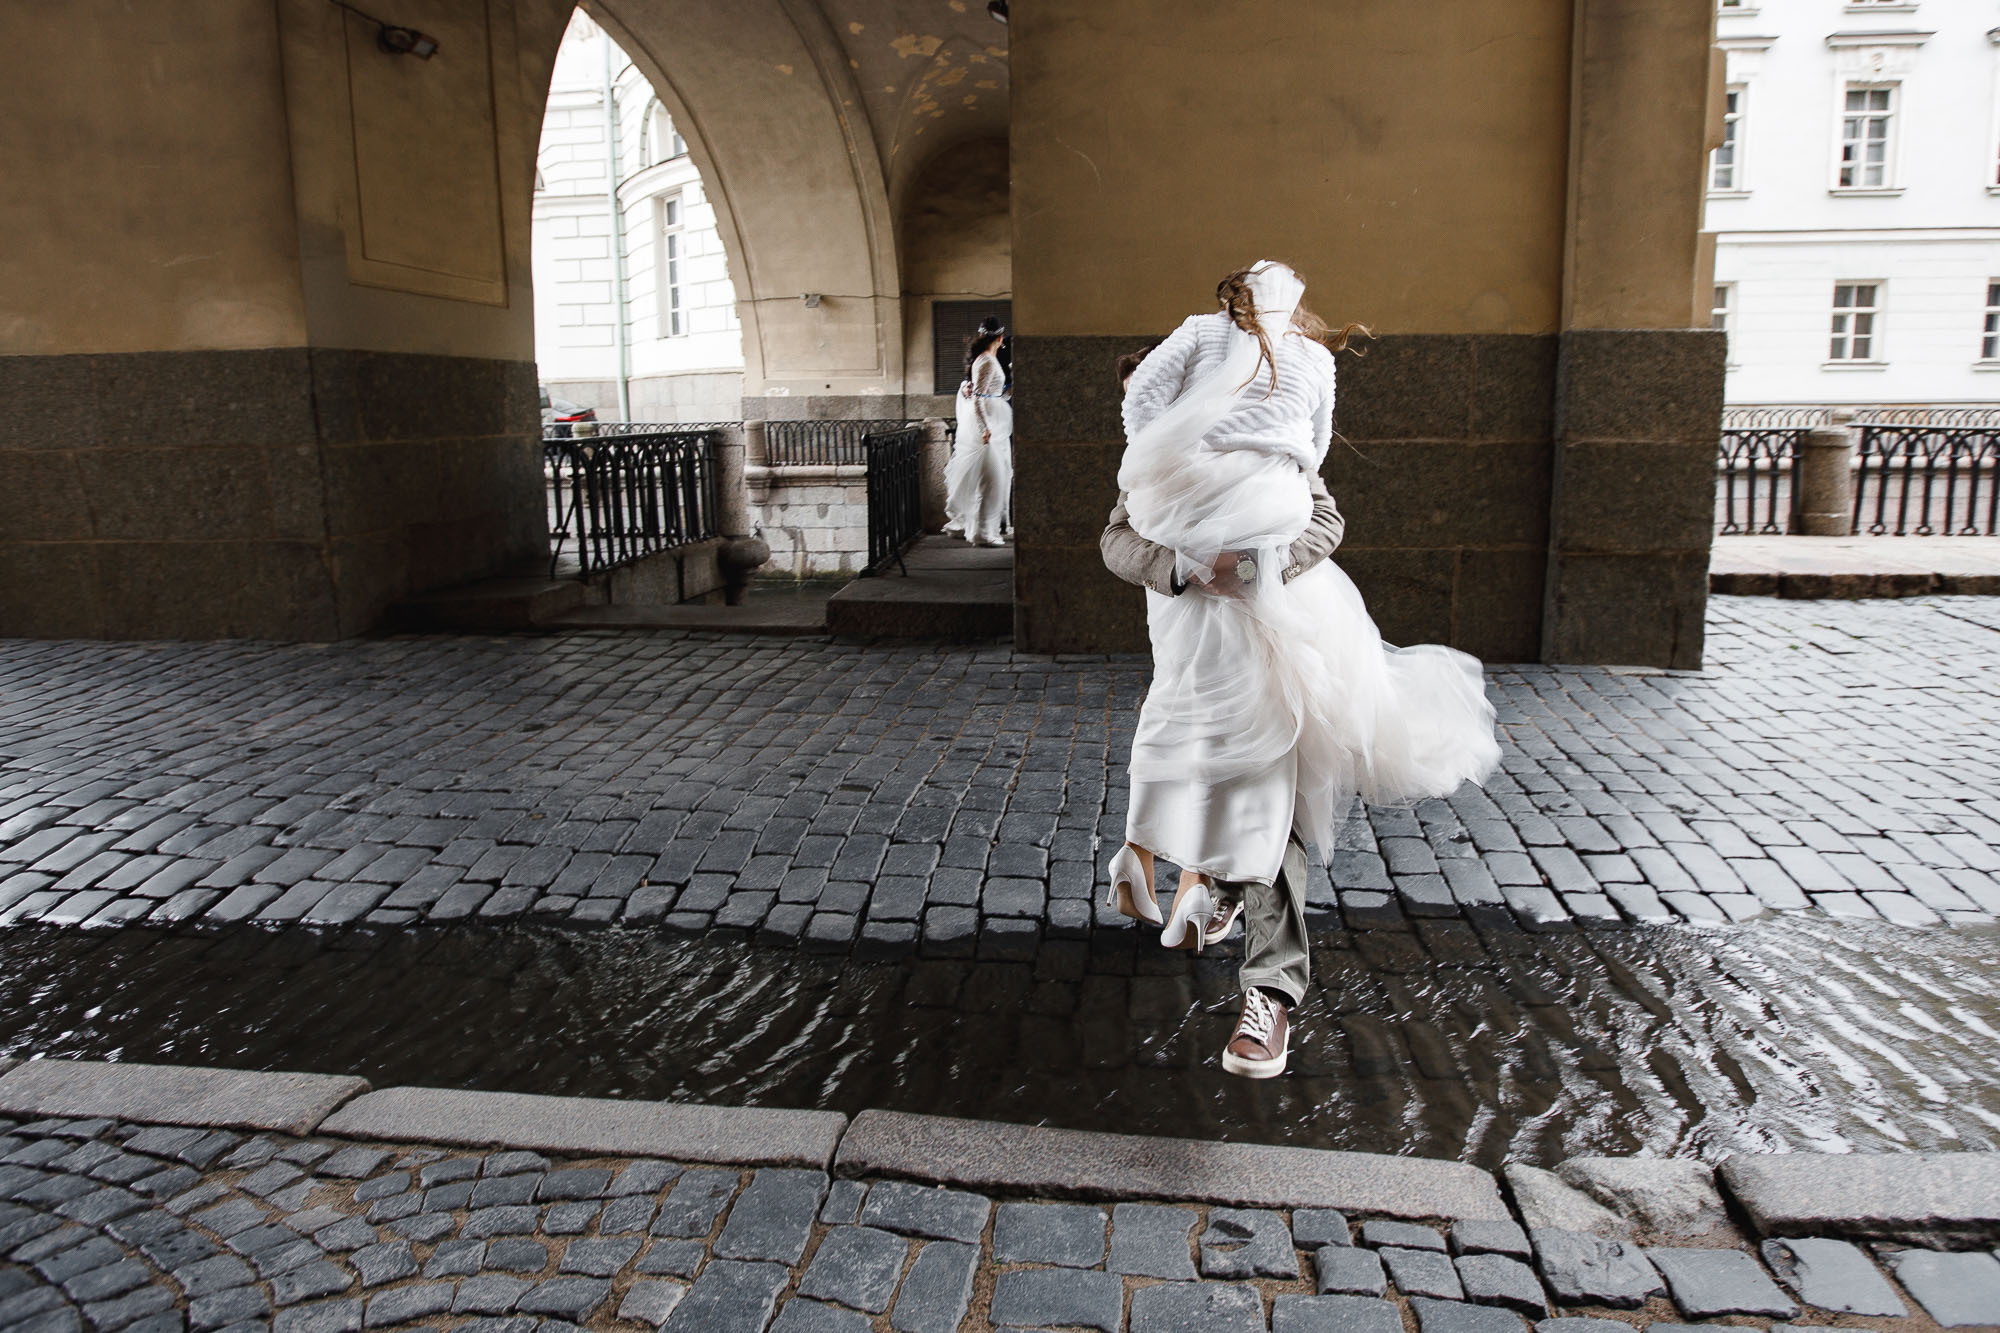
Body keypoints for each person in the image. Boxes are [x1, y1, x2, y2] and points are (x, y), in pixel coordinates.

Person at [1102, 261, 1500, 1079]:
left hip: (1287, 641)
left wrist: (1260, 566)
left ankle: (1270, 997)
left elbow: (1324, 518)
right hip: (1190, 649)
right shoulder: (1151, 464)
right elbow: (1116, 541)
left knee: (1270, 803)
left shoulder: (1273, 441)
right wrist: (1181, 567)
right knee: (1201, 770)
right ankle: (1200, 883)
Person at [944, 326, 1012, 546]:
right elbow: (979, 397)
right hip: (988, 425)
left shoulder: (989, 359)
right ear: (1000, 338)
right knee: (991, 478)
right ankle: (982, 532)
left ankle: (986, 529)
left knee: (997, 477)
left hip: (996, 421)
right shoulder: (986, 361)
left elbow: (991, 393)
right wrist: (985, 428)